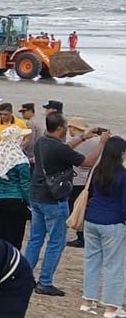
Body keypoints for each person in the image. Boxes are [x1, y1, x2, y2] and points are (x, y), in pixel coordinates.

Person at [25, 112, 108, 297]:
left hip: (37, 195)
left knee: (35, 239)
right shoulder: (58, 148)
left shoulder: (42, 142)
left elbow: (64, 148)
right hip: (53, 200)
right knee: (56, 242)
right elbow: (87, 163)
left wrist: (83, 137)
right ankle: (45, 282)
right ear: (61, 128)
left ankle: (23, 275)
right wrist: (102, 142)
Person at [81, 136, 126, 318]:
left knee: (92, 261)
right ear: (121, 154)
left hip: (92, 220)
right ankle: (111, 306)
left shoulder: (97, 170)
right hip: (113, 222)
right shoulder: (122, 175)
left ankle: (87, 301)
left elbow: (91, 193)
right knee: (114, 265)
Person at [0, 126, 33, 249]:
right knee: (14, 237)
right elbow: (25, 185)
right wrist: (30, 203)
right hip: (16, 200)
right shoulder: (20, 159)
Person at [66, 118, 101, 248]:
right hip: (88, 180)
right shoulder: (95, 143)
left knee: (75, 208)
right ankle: (83, 236)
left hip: (76, 180)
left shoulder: (77, 144)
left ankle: (81, 237)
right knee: (84, 208)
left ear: (74, 128)